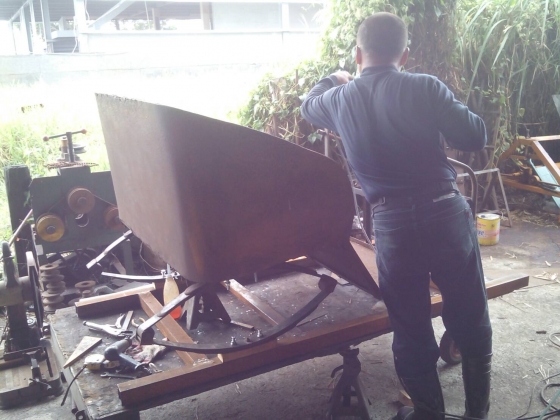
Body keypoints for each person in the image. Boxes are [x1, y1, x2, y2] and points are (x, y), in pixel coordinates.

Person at [300, 12, 492, 420]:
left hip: (393, 226)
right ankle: (478, 414)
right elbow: (475, 136)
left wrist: (334, 78)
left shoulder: (339, 98)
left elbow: (308, 104)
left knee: (410, 330)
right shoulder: (425, 87)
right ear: (404, 55)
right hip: (445, 213)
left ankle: (429, 414)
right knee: (471, 317)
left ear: (358, 54)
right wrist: (445, 104)